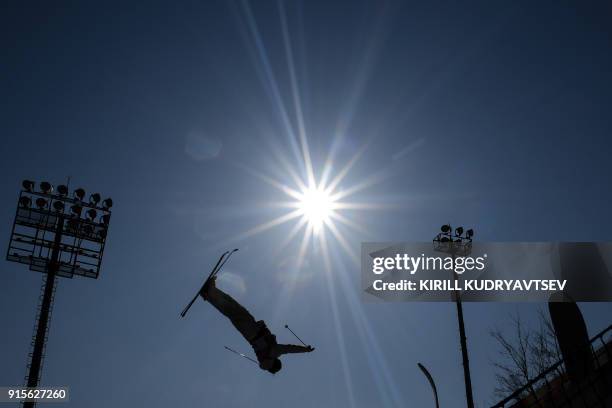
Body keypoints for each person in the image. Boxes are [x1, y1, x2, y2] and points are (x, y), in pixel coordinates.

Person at [200, 276, 314, 374]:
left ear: (276, 362)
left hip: (253, 329)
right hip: (248, 335)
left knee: (233, 307)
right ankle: (209, 294)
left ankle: (210, 291)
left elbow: (289, 349)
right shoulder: (263, 359)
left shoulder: (273, 352)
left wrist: (305, 350)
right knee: (230, 311)